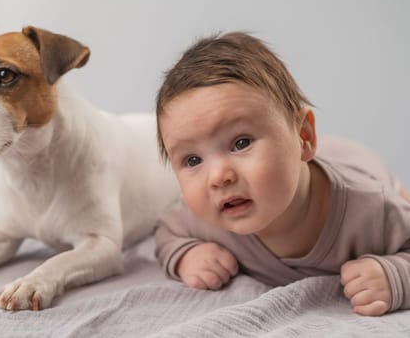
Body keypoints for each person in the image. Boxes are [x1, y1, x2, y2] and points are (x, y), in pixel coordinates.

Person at [154, 32, 410, 316]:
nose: (218, 177)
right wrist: (187, 256)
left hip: (358, 164)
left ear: (304, 137)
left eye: (241, 143)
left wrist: (395, 276)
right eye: (192, 160)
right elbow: (167, 232)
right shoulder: (205, 217)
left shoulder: (370, 209)